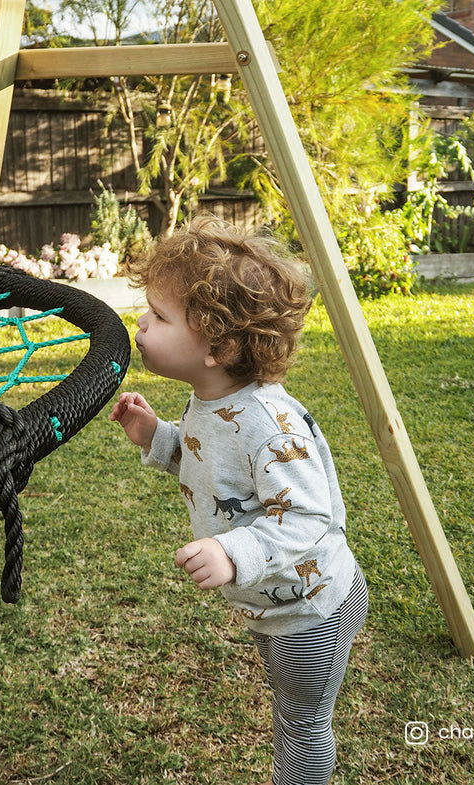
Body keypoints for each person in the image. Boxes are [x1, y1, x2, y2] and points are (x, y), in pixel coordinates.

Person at [110, 216, 368, 785]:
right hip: (275, 602)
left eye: (158, 317)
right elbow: (219, 472)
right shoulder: (210, 398)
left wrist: (233, 553)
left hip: (312, 607)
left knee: (301, 722)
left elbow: (305, 516)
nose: (141, 323)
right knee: (289, 701)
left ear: (218, 346)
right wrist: (159, 437)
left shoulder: (271, 426)